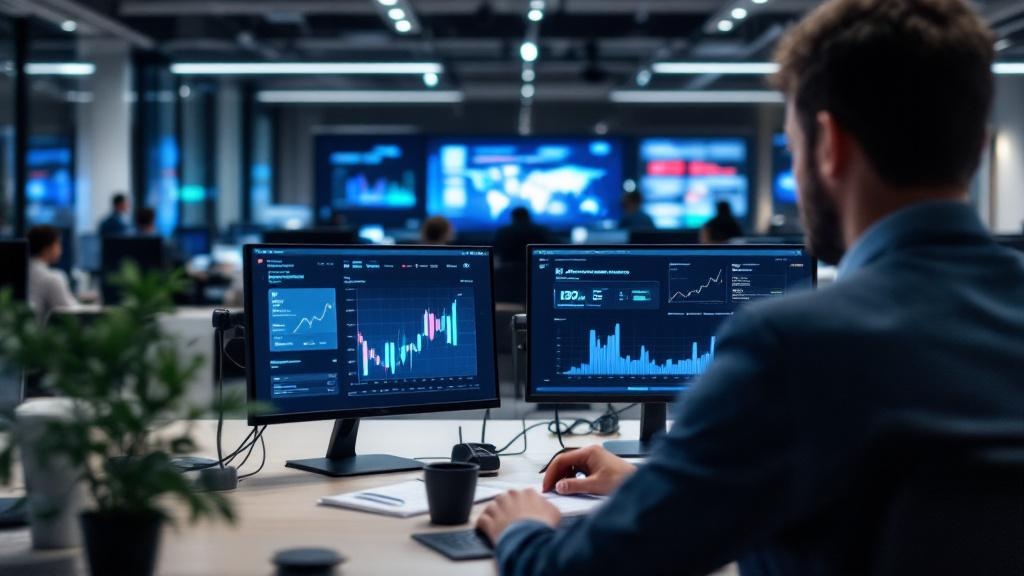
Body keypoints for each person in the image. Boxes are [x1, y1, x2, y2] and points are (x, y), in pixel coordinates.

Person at [477, 1, 1024, 574]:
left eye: (790, 145)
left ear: (829, 144)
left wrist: (523, 532)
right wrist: (651, 483)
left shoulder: (793, 346)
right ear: (979, 147)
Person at [26, 225, 79, 322]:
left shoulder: (23, 271)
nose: (60, 249)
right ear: (47, 248)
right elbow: (72, 312)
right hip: (41, 334)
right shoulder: (51, 278)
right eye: (58, 244)